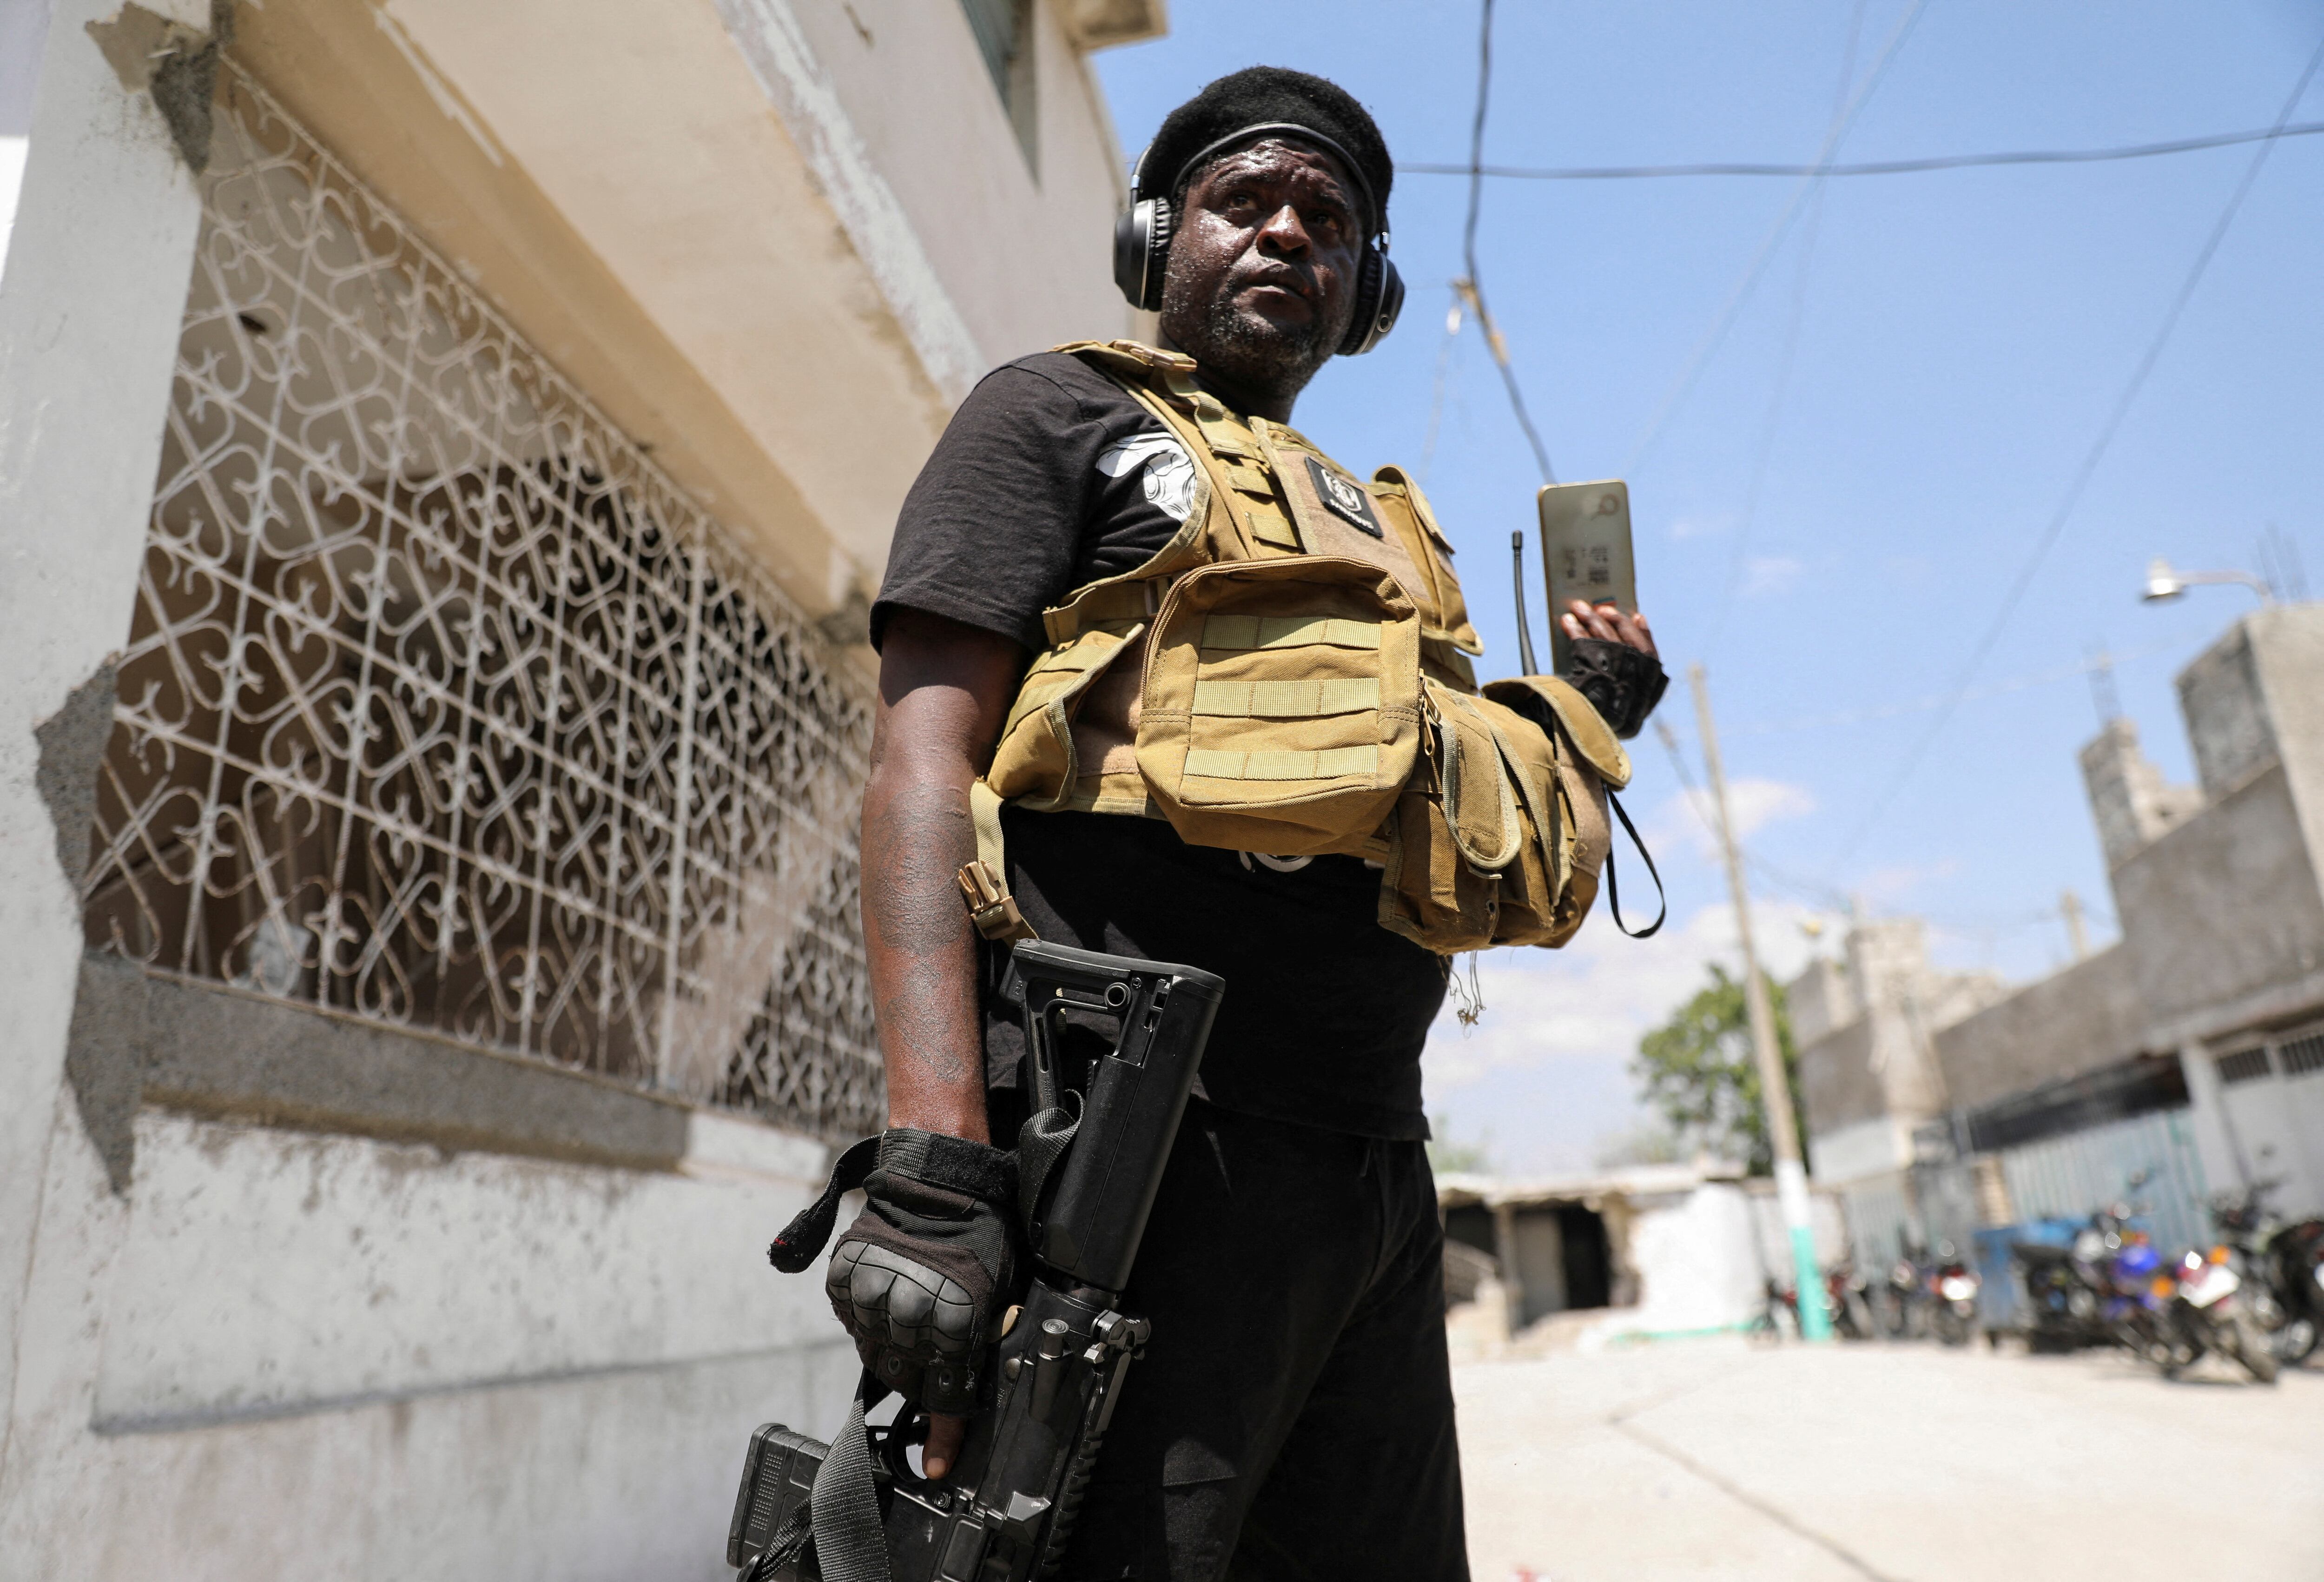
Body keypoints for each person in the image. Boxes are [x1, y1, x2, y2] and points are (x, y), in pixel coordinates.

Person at [836, 66, 1664, 1579]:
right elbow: (919, 766)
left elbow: (1438, 814)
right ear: (1162, 239)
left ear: (1369, 291)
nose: (1289, 233)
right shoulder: (1061, 412)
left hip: (1374, 1163)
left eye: (1329, 220)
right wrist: (937, 1158)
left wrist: (1588, 707)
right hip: (1143, 1160)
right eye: (1246, 202)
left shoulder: (1384, 530)